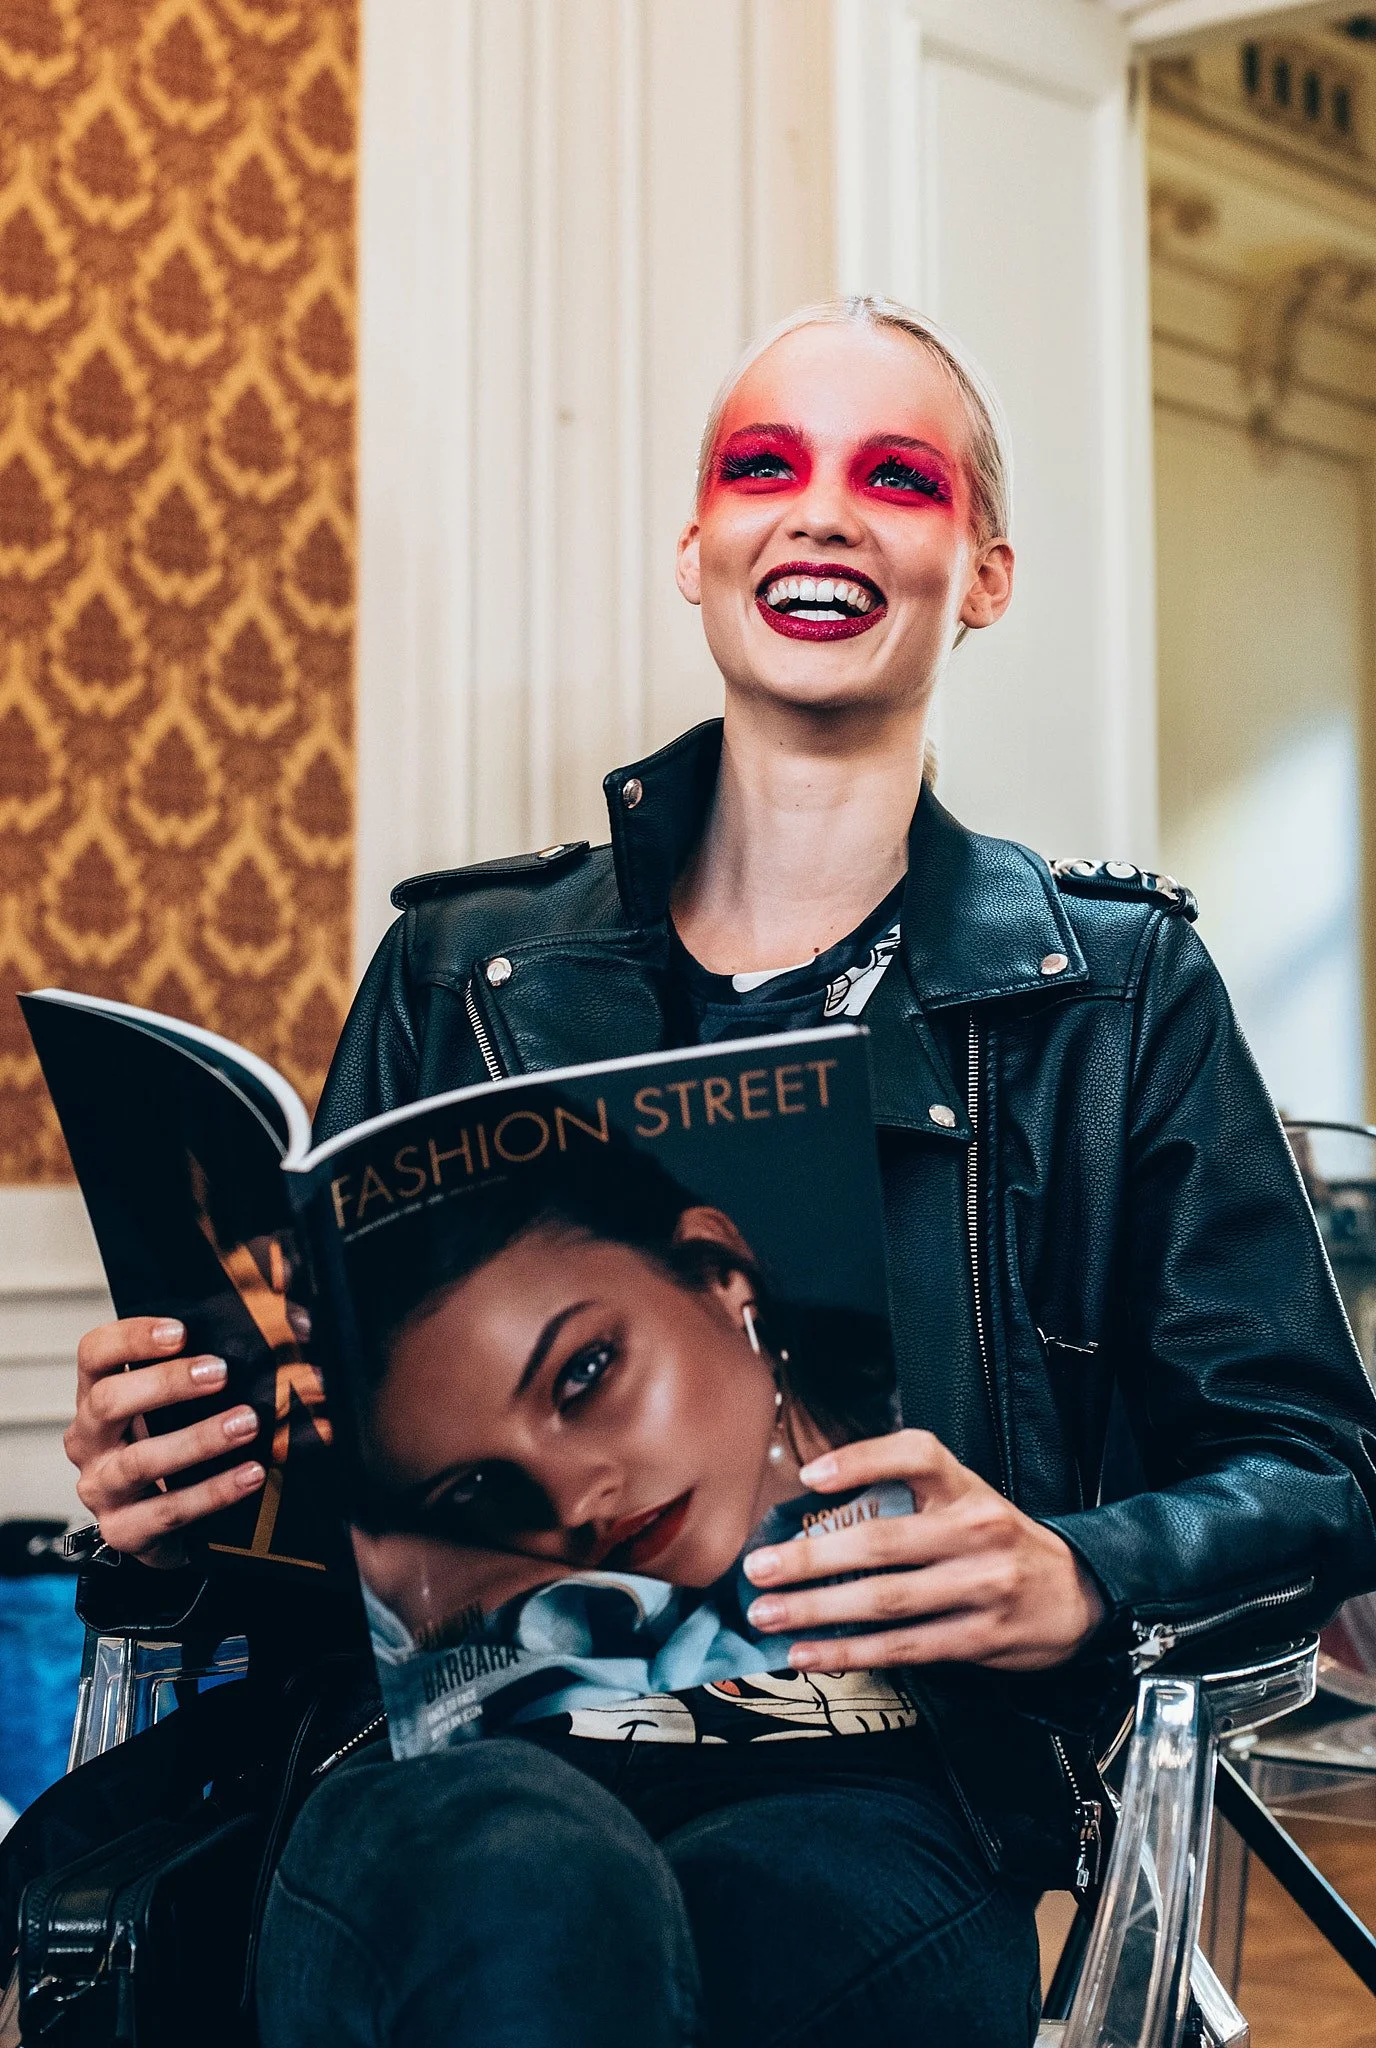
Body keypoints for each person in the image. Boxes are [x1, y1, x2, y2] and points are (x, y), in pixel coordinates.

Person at [55, 296, 1376, 2048]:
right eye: (767, 465)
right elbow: (345, 1501)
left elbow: (1312, 1469)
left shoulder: (1118, 994)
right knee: (525, 1883)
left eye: (893, 478)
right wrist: (180, 1496)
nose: (819, 510)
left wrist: (1075, 1573)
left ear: (981, 573)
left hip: (886, 1804)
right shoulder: (463, 970)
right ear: (698, 549)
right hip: (436, 1788)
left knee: (651, 1941)